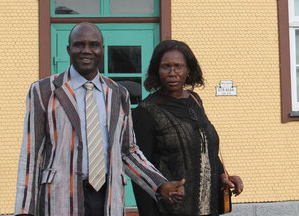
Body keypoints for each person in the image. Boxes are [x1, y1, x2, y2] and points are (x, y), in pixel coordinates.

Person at [15, 22, 185, 216]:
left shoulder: (118, 93)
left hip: (107, 199)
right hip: (60, 200)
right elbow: (31, 154)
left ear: (101, 50)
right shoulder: (44, 91)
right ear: (68, 49)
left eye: (93, 45)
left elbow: (128, 152)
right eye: (79, 44)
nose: (86, 50)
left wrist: (159, 184)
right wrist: (24, 210)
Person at [132, 40, 243, 216]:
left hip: (208, 206)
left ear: (189, 70)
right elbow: (140, 172)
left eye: (178, 66)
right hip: (170, 210)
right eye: (165, 67)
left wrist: (223, 175)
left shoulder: (195, 100)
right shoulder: (146, 111)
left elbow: (206, 147)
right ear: (157, 70)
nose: (172, 73)